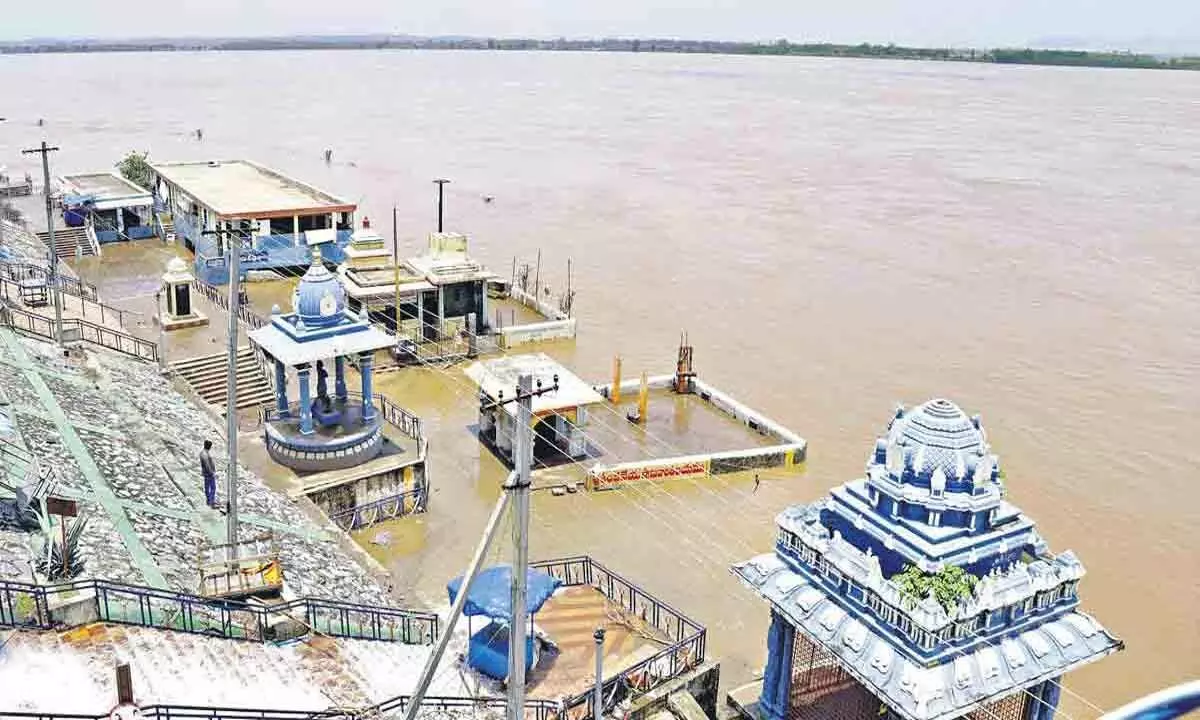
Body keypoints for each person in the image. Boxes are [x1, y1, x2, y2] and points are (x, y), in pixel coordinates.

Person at [200, 440, 217, 507]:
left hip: (207, 473)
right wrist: (211, 472)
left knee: (208, 487)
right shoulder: (204, 454)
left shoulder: (205, 452)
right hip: (208, 473)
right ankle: (211, 501)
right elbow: (207, 464)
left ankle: (209, 501)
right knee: (212, 487)